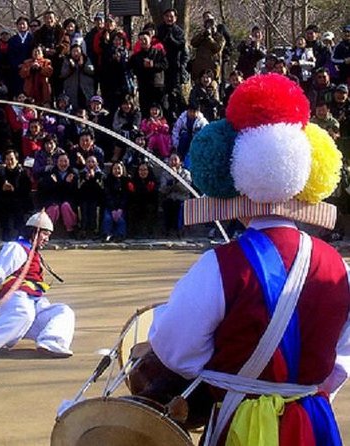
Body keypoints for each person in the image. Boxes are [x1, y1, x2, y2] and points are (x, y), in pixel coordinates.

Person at [142, 74, 349, 445]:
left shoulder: (220, 266)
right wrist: (302, 385)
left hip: (241, 420)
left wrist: (232, 376)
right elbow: (343, 353)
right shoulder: (337, 267)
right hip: (313, 420)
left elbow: (175, 348)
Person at [0, 210, 75, 358]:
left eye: (49, 235)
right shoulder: (16, 248)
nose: (47, 239)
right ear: (34, 232)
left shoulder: (33, 252)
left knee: (63, 311)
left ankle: (50, 342)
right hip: (16, 298)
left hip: (34, 302)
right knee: (25, 314)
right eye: (45, 234)